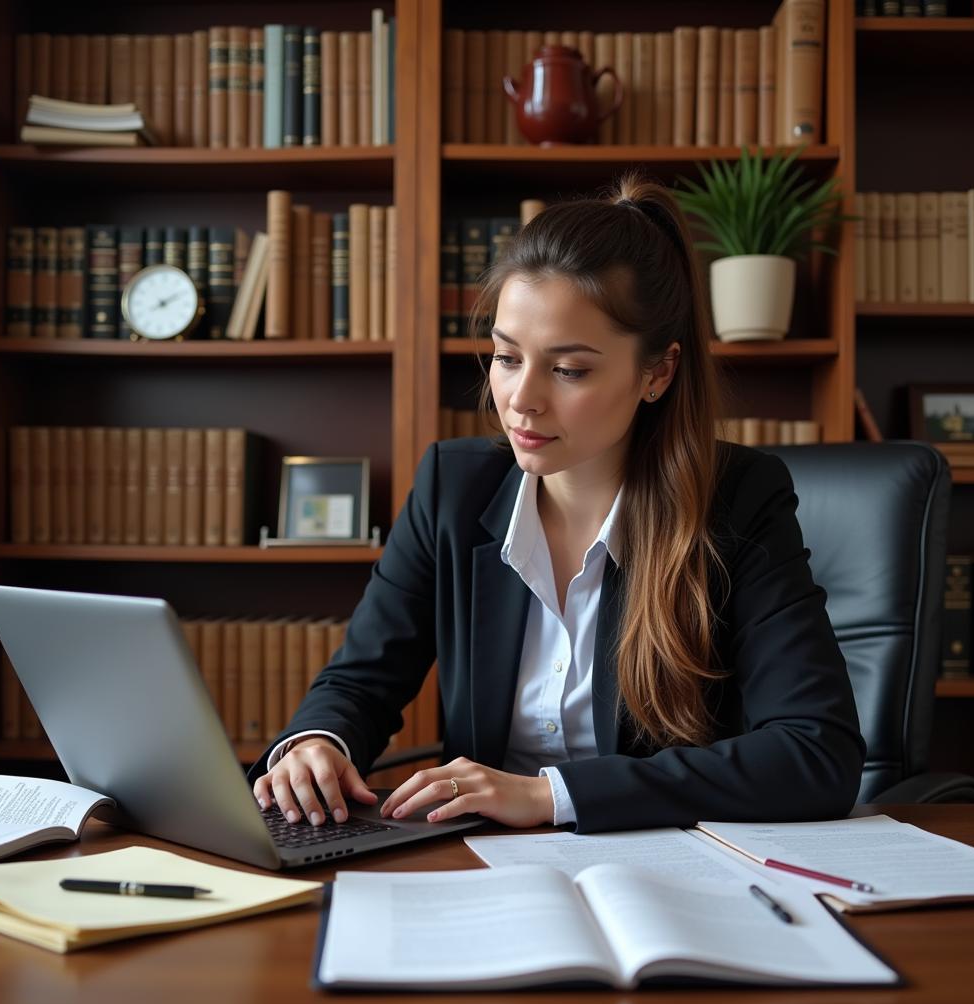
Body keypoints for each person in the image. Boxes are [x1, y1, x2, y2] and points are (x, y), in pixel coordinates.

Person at [250, 173, 865, 834]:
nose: (522, 399)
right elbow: (360, 682)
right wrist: (316, 743)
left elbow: (815, 752)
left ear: (657, 372)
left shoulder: (737, 500)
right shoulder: (452, 490)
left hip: (666, 873)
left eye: (568, 370)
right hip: (489, 874)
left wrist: (551, 796)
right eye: (507, 358)